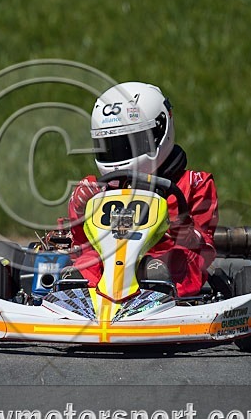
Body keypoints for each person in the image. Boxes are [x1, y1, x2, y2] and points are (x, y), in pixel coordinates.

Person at [66, 82, 219, 297]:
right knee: (87, 260)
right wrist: (79, 208)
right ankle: (76, 288)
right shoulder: (97, 189)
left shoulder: (194, 184)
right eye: (110, 146)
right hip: (109, 260)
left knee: (172, 262)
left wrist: (183, 228)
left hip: (166, 263)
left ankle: (155, 284)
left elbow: (203, 248)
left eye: (128, 145)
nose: (119, 154)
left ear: (159, 131)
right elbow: (82, 242)